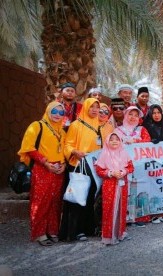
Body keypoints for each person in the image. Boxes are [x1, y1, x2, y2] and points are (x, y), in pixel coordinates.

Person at [18, 102, 66, 246]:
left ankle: (52, 230)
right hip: (42, 168)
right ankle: (39, 233)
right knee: (41, 200)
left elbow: (62, 150)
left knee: (55, 202)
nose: (57, 115)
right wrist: (45, 163)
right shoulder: (37, 126)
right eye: (54, 111)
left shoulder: (61, 131)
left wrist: (63, 164)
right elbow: (29, 148)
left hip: (58, 170)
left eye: (61, 113)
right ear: (48, 111)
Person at [60, 98, 101, 242]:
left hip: (93, 166)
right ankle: (74, 231)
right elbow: (67, 146)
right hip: (78, 165)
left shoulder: (98, 125)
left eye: (97, 107)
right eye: (92, 107)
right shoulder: (76, 125)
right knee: (77, 199)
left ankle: (87, 229)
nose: (95, 110)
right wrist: (75, 151)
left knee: (89, 198)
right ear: (85, 108)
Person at [95, 132, 134, 245]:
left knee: (121, 208)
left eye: (117, 139)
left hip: (122, 183)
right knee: (109, 209)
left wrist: (123, 171)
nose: (114, 141)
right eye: (111, 139)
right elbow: (99, 170)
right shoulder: (104, 154)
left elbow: (131, 167)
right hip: (110, 185)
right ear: (107, 141)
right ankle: (108, 236)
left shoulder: (124, 152)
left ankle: (120, 233)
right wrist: (111, 173)